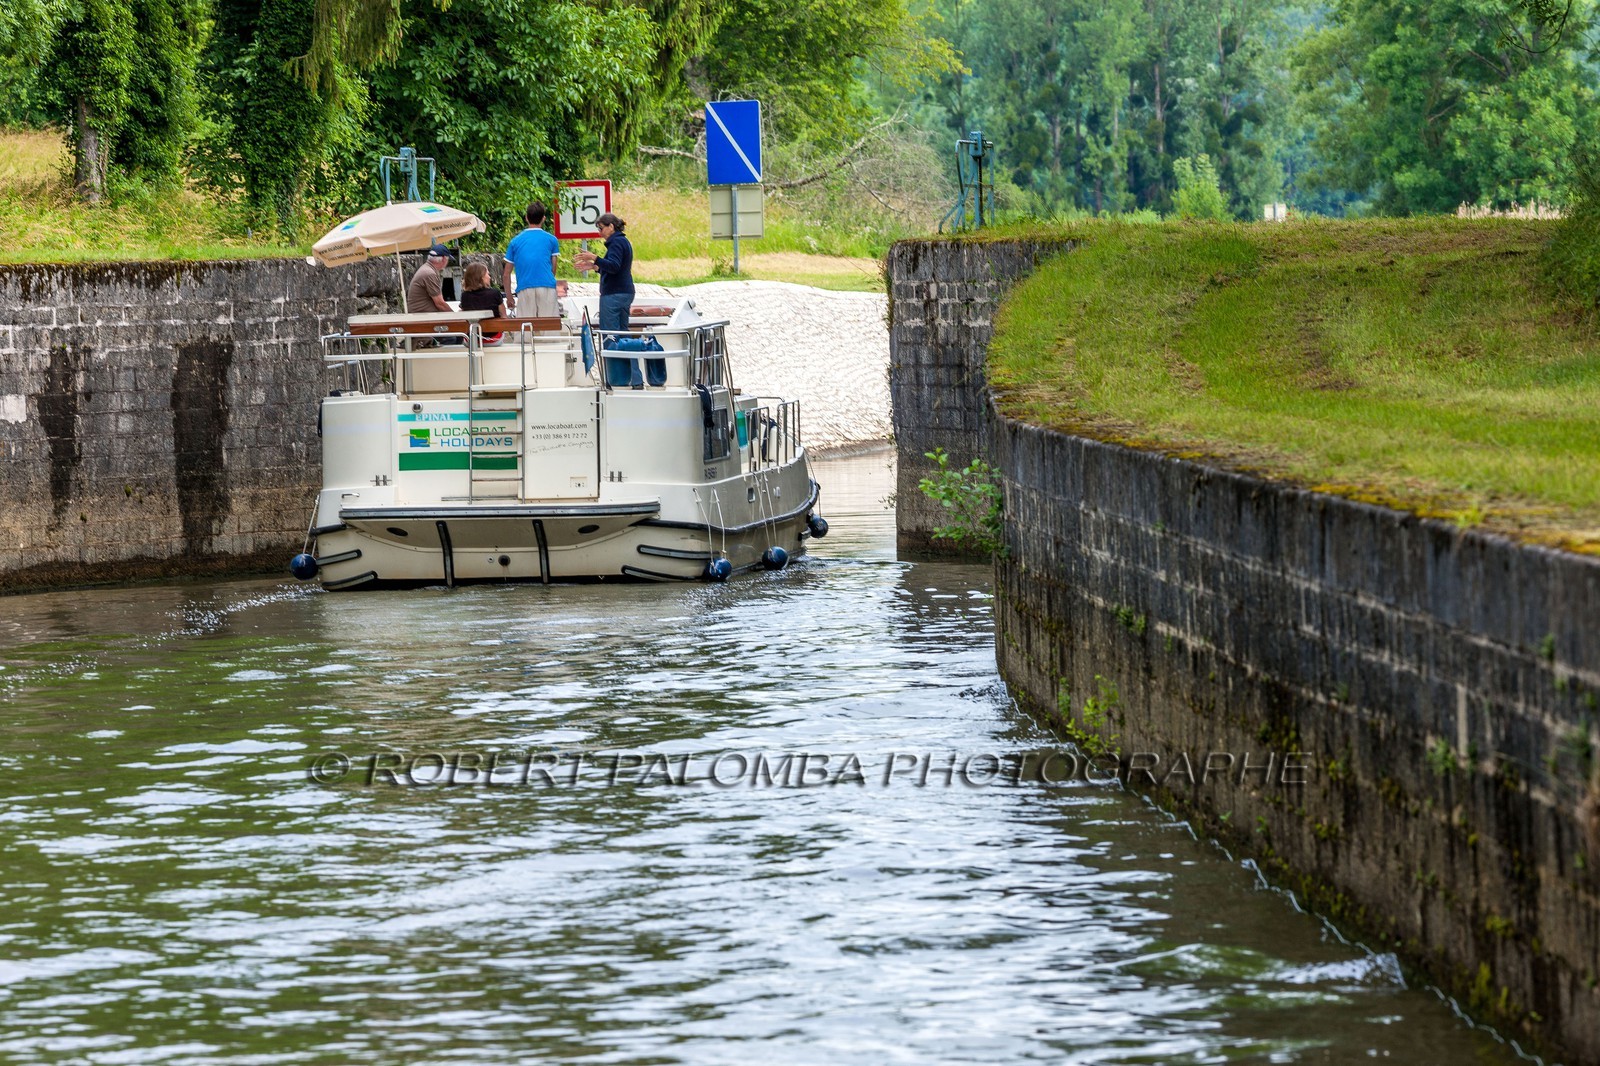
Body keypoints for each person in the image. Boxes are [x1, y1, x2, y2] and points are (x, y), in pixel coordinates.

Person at [574, 213, 640, 386]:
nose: (599, 232)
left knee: (610, 337)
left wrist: (595, 258)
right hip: (625, 292)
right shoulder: (622, 242)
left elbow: (614, 266)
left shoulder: (616, 243)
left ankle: (614, 379)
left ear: (611, 227)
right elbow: (613, 267)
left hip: (614, 295)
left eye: (601, 228)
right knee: (623, 336)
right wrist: (595, 266)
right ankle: (634, 378)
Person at [503, 202, 560, 318]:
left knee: (526, 327)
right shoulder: (552, 240)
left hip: (525, 287)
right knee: (548, 327)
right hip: (547, 286)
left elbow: (506, 274)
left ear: (526, 218)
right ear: (543, 219)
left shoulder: (515, 241)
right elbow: (553, 267)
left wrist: (509, 297)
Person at [458, 261, 508, 344]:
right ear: (481, 277)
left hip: (471, 339)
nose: (489, 277)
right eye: (487, 274)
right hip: (493, 338)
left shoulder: (465, 296)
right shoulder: (495, 293)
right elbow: (504, 316)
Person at [406, 244, 453, 314]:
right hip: (422, 318)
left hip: (421, 316)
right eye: (448, 259)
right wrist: (455, 316)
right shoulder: (430, 273)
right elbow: (440, 304)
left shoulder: (426, 269)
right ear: (443, 259)